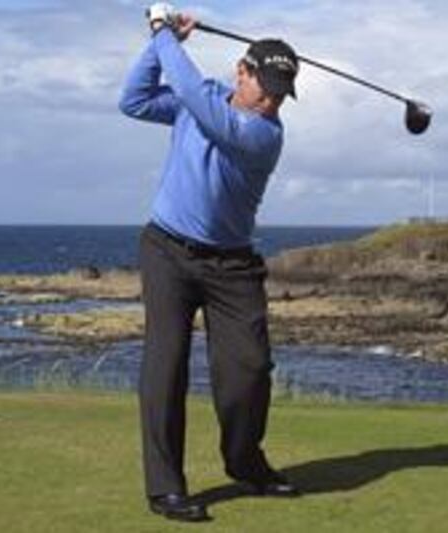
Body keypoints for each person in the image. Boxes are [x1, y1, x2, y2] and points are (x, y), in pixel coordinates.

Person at [119, 3, 300, 523]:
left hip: (233, 266)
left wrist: (163, 33)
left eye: (280, 94)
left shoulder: (264, 135)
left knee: (248, 371)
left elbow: (198, 101)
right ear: (241, 72)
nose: (270, 101)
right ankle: (165, 489)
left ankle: (245, 462)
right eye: (263, 87)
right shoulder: (204, 103)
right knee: (165, 365)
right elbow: (132, 100)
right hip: (167, 251)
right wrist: (159, 46)